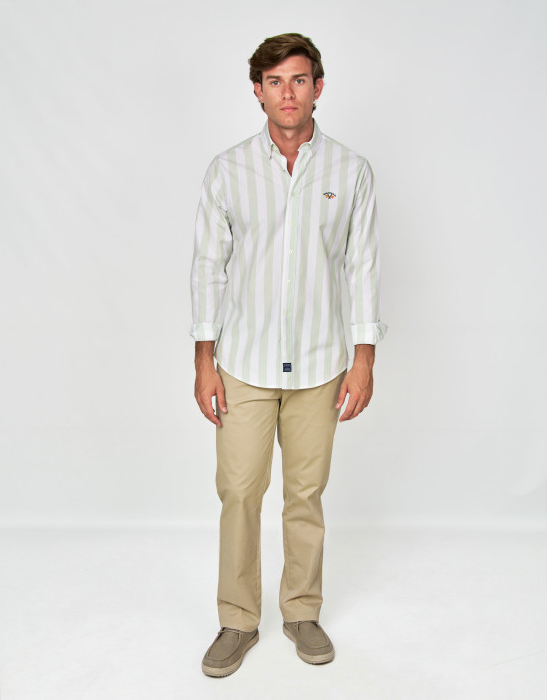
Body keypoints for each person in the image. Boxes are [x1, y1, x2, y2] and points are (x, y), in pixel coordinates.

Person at [189, 32, 388, 677]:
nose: (287, 93)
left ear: (317, 87)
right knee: (239, 492)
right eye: (274, 82)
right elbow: (208, 267)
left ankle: (302, 611)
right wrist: (203, 360)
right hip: (243, 363)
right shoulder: (227, 170)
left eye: (299, 80)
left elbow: (362, 267)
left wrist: (364, 358)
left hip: (320, 363)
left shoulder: (350, 171)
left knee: (306, 493)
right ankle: (237, 620)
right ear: (258, 91)